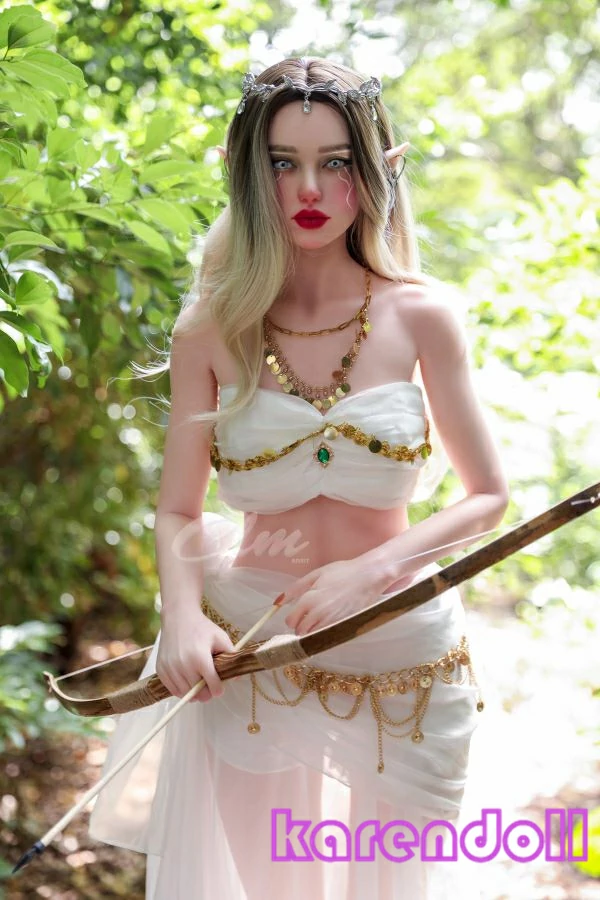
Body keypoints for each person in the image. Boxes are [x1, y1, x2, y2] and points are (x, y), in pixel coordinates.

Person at [89, 56, 509, 899]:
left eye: (336, 162)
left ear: (378, 170)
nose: (309, 189)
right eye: (283, 162)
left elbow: (488, 497)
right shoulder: (211, 330)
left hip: (400, 651)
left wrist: (372, 570)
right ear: (246, 172)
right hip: (253, 651)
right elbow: (177, 512)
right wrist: (181, 618)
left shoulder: (421, 315)